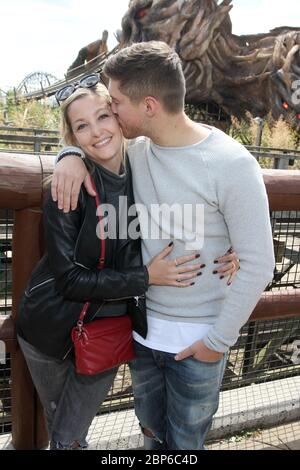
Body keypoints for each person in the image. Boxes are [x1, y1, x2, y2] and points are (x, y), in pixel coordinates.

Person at [51, 41, 272, 451]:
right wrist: (68, 155)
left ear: (148, 105)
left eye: (115, 102)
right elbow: (94, 144)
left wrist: (216, 343)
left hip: (199, 342)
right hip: (143, 337)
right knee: (151, 435)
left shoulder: (232, 164)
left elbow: (259, 264)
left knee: (186, 445)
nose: (111, 111)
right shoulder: (137, 151)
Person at [17, 78, 238, 450]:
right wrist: (146, 277)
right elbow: (69, 279)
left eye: (103, 116)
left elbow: (202, 179)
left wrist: (229, 243)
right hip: (49, 331)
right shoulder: (71, 186)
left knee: (67, 437)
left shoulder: (145, 167)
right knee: (66, 435)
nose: (96, 131)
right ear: (72, 136)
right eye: (81, 126)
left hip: (106, 329)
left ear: (119, 118)